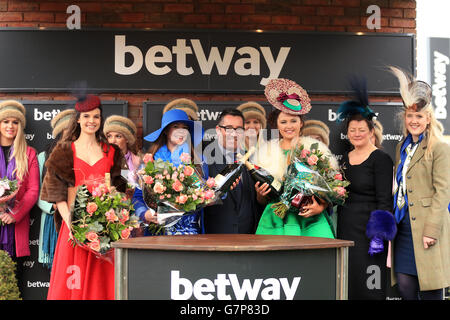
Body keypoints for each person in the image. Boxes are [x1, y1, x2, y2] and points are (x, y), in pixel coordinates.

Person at [40, 94, 125, 300]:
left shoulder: (111, 151)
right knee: (72, 284)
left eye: (96, 117)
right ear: (77, 119)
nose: (92, 121)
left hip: (104, 231)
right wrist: (73, 225)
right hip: (73, 229)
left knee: (101, 284)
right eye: (86, 116)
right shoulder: (63, 150)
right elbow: (56, 193)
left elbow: (118, 189)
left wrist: (115, 215)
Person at [389, 66, 450, 300]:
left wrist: (431, 230)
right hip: (404, 227)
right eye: (410, 116)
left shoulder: (439, 148)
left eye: (419, 116)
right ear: (405, 118)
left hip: (428, 228)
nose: (414, 121)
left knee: (432, 289)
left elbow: (443, 192)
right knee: (405, 287)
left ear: (428, 119)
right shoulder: (401, 147)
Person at [253, 78, 336, 238]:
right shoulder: (266, 153)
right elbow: (261, 201)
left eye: (293, 121)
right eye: (283, 121)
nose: (289, 126)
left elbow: (330, 190)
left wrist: (320, 207)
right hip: (276, 219)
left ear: (301, 123)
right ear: (276, 124)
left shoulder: (316, 150)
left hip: (310, 219)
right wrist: (260, 194)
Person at [335, 78, 394, 300]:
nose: (356, 133)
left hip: (370, 234)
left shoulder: (381, 158)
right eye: (352, 130)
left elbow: (384, 201)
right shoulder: (345, 158)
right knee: (350, 286)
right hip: (346, 229)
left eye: (361, 129)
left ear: (371, 131)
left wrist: (379, 235)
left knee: (371, 288)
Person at [132, 108, 207, 235]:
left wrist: (211, 194)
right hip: (158, 231)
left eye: (185, 128)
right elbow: (137, 197)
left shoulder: (198, 160)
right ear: (166, 130)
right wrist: (145, 214)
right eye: (176, 126)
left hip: (190, 231)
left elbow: (206, 194)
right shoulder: (150, 160)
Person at [0, 100, 39, 297]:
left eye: (15, 122)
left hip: (16, 227)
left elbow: (33, 190)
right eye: (5, 121)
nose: (10, 126)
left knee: (13, 281)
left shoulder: (29, 153)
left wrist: (15, 214)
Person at [203, 108, 261, 234]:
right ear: (218, 130)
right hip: (215, 238)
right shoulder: (204, 160)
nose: (234, 134)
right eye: (228, 128)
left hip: (249, 238)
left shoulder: (253, 159)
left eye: (239, 129)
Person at [37, 108, 75, 270]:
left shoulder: (84, 155)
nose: (71, 135)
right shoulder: (43, 157)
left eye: (74, 131)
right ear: (59, 132)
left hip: (78, 218)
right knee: (57, 269)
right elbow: (36, 191)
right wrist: (52, 205)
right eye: (67, 131)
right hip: (53, 220)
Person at [103, 115, 140, 186]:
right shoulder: (101, 159)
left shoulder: (137, 161)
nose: (112, 141)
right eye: (109, 136)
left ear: (127, 139)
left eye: (118, 136)